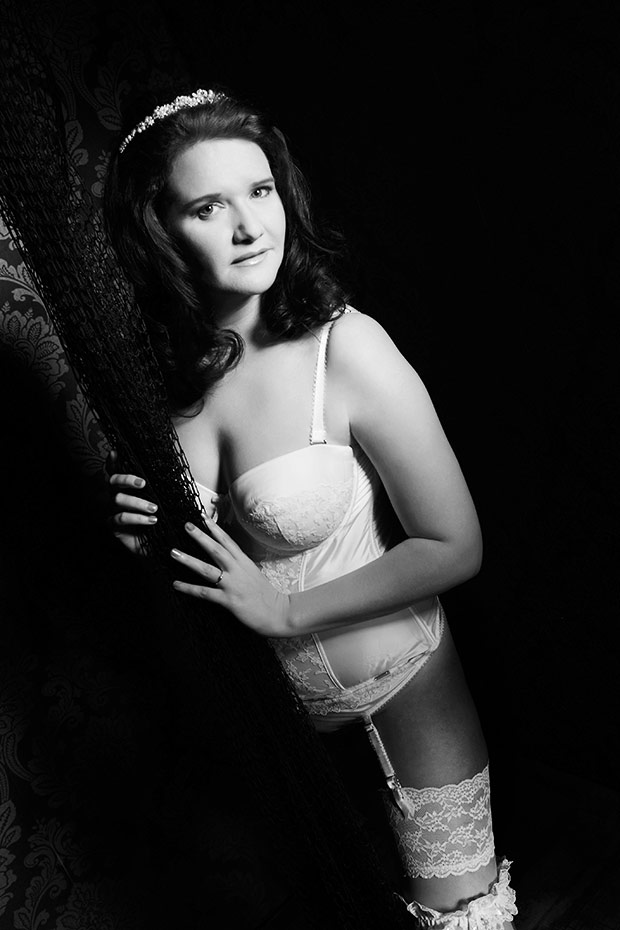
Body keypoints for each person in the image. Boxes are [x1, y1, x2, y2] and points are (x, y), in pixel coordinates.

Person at [104, 86, 517, 928]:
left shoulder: (346, 346)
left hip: (406, 686)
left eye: (260, 191)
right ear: (159, 230)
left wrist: (287, 612)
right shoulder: (170, 383)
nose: (250, 227)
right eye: (209, 207)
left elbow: (455, 544)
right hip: (269, 722)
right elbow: (200, 575)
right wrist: (139, 535)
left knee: (463, 919)